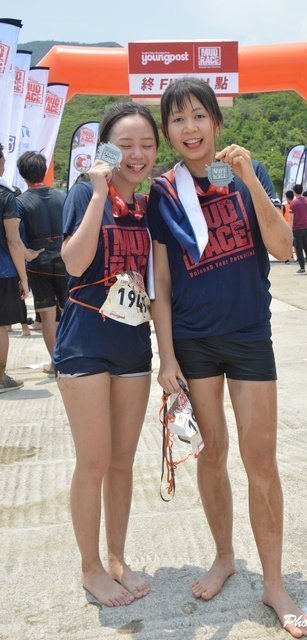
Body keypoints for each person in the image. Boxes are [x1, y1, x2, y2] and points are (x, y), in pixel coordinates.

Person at [149, 77, 307, 638]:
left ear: (216, 122)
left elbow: (284, 248)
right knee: (212, 452)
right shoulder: (164, 191)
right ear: (168, 131)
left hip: (248, 334)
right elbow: (162, 283)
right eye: (177, 119)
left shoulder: (246, 173)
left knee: (260, 459)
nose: (189, 128)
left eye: (198, 116)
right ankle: (223, 555)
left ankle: (273, 581)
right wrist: (165, 356)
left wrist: (249, 180)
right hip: (193, 341)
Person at [52, 102, 159, 607]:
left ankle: (117, 557)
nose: (136, 155)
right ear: (108, 150)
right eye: (126, 145)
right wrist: (98, 194)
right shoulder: (82, 192)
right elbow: (73, 261)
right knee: (92, 461)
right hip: (84, 345)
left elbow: (160, 283)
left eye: (146, 145)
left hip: (133, 345)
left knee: (122, 461)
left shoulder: (150, 203)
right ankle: (89, 568)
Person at [16, 152, 68, 373]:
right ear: (44, 170)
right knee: (69, 311)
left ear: (22, 174)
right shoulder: (63, 196)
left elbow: (15, 237)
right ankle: (73, 358)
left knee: (47, 315)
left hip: (38, 264)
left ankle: (56, 363)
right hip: (65, 260)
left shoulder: (20, 202)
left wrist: (27, 254)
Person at [0, 143, 29, 392]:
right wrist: (24, 278)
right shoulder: (5, 196)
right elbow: (13, 239)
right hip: (3, 271)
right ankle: (0, 378)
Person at [289, 184, 307, 274]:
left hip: (297, 228)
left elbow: (291, 218)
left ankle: (302, 268)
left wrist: (290, 229)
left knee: (299, 248)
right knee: (306, 247)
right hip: (306, 227)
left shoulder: (293, 203)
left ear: (294, 191)